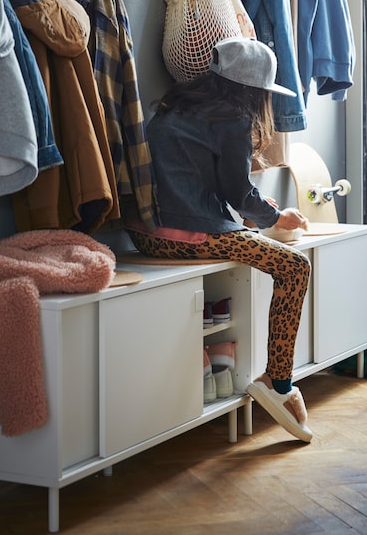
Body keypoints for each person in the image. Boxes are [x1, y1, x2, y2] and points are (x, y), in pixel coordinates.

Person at [127, 37, 313, 443]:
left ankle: (263, 378)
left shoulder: (174, 106)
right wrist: (277, 216)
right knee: (296, 266)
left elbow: (206, 182)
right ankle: (278, 384)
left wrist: (254, 209)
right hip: (186, 234)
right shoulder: (232, 118)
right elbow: (236, 192)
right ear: (252, 89)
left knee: (264, 250)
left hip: (145, 233)